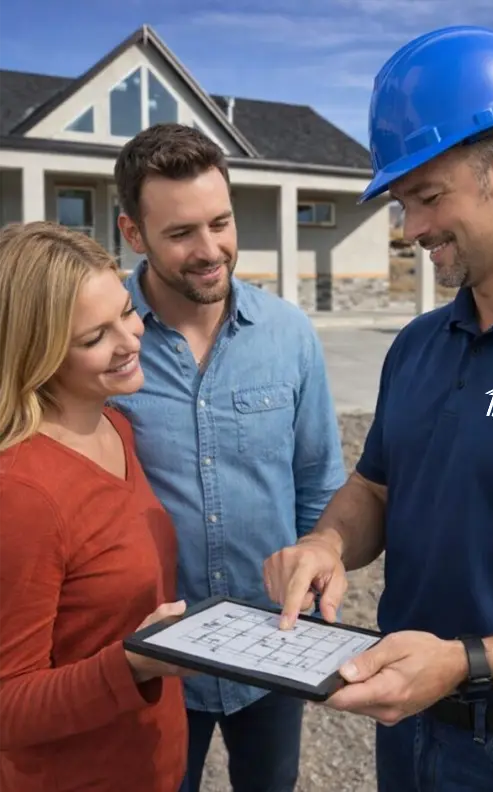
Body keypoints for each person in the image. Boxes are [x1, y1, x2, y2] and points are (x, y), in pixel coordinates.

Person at [263, 24, 493, 792]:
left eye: (426, 197)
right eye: (401, 203)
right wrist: (326, 543)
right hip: (408, 734)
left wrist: (464, 663)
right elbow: (377, 488)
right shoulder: (419, 344)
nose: (411, 229)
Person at [109, 122, 346, 792]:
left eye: (221, 223)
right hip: (149, 655)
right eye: (182, 233)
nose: (210, 250)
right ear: (133, 234)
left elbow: (319, 484)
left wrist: (319, 572)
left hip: (271, 647)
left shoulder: (289, 334)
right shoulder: (103, 343)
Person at [0, 221, 195, 792]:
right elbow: (7, 704)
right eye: (94, 338)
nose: (131, 340)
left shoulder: (117, 425)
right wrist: (132, 663)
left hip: (154, 763)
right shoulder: (22, 494)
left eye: (127, 311)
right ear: (36, 353)